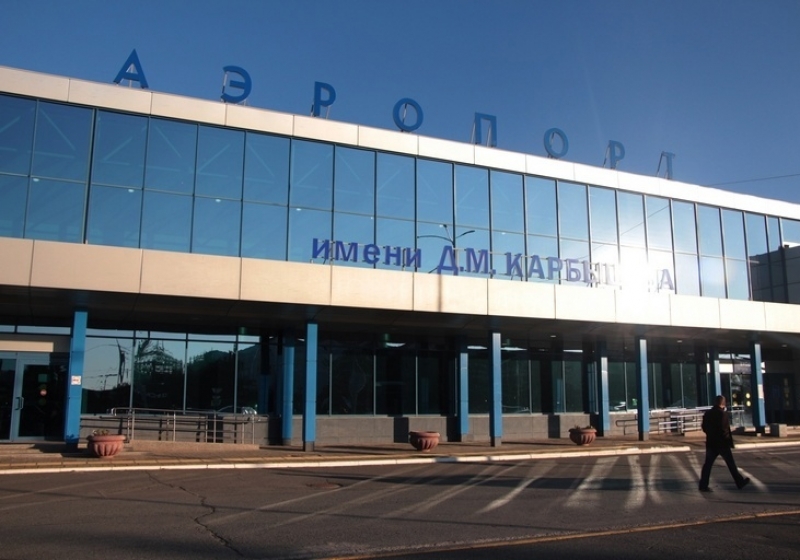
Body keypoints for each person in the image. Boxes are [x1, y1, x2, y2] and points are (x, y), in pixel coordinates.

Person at [698, 395, 750, 492]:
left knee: (707, 465)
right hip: (722, 443)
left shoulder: (708, 413)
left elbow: (704, 427)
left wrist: (710, 434)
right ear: (723, 403)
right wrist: (727, 440)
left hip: (711, 442)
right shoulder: (722, 414)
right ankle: (739, 482)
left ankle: (703, 485)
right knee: (731, 464)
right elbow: (724, 429)